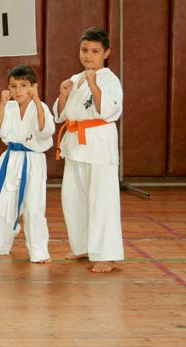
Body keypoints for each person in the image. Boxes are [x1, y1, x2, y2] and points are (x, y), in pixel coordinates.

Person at [53, 27, 124, 273]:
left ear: (106, 53)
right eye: (84, 50)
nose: (88, 55)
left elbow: (110, 110)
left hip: (99, 144)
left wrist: (94, 86)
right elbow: (61, 115)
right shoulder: (75, 78)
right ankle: (82, 245)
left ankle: (106, 255)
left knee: (102, 200)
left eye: (95, 51)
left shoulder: (109, 79)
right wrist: (63, 96)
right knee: (73, 198)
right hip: (76, 145)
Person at [0, 65, 55, 264]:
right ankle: (1, 244)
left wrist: (37, 101)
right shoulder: (9, 107)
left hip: (33, 160)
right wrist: (1, 105)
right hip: (12, 159)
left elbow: (45, 131)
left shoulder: (40, 107)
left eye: (23, 85)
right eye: (13, 86)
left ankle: (39, 251)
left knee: (34, 208)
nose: (18, 91)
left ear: (34, 87)